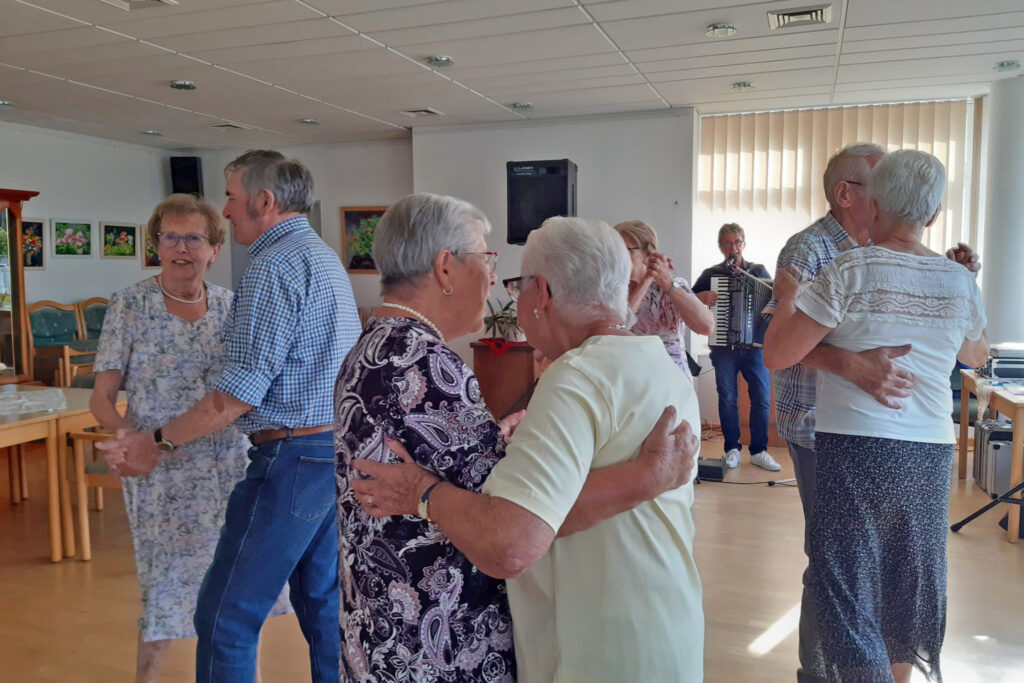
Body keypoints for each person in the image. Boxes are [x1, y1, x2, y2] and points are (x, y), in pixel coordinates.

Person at [349, 215, 705, 682]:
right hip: (662, 626)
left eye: (517, 287)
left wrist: (422, 491)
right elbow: (560, 497)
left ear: (541, 294)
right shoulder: (658, 362)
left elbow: (514, 539)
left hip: (600, 647)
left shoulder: (576, 375)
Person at [98, 150, 360, 683]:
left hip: (287, 458)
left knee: (225, 619)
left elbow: (231, 398)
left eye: (233, 197)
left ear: (264, 201)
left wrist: (154, 444)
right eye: (172, 237)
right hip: (325, 453)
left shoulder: (271, 266)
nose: (228, 206)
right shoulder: (321, 255)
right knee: (321, 604)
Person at [763, 149, 988, 683]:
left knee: (846, 583)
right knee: (908, 581)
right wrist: (961, 286)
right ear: (932, 216)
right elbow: (975, 356)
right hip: (930, 452)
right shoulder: (959, 281)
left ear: (878, 203)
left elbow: (776, 353)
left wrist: (792, 301)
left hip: (857, 448)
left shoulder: (849, 269)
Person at [90, 195, 282, 682]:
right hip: (159, 469)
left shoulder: (231, 307)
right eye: (169, 237)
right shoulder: (130, 306)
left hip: (228, 466)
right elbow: (102, 398)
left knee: (236, 590)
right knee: (163, 591)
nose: (180, 248)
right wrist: (124, 437)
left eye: (193, 238)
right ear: (155, 245)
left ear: (214, 249)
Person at [693, 223, 779, 471]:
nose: (734, 247)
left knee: (762, 399)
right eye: (728, 243)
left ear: (744, 244)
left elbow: (774, 299)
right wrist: (700, 298)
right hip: (723, 349)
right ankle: (732, 449)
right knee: (728, 398)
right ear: (721, 247)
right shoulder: (711, 274)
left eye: (738, 242)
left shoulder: (758, 271)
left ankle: (759, 451)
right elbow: (686, 300)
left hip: (755, 347)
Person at [613, 220, 714, 375]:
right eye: (615, 249)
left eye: (627, 250)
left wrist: (668, 283)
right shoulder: (611, 291)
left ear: (648, 254)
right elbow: (615, 331)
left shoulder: (674, 285)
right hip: (629, 382)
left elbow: (706, 326)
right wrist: (646, 280)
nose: (618, 255)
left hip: (672, 385)